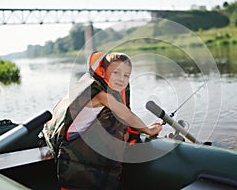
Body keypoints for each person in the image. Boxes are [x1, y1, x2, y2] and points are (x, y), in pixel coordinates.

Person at [47, 51, 162, 189]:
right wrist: (148, 130)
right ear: (102, 72)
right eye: (116, 73)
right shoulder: (101, 95)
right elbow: (127, 115)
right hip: (73, 141)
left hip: (80, 134)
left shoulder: (98, 88)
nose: (121, 79)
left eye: (126, 75)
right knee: (118, 116)